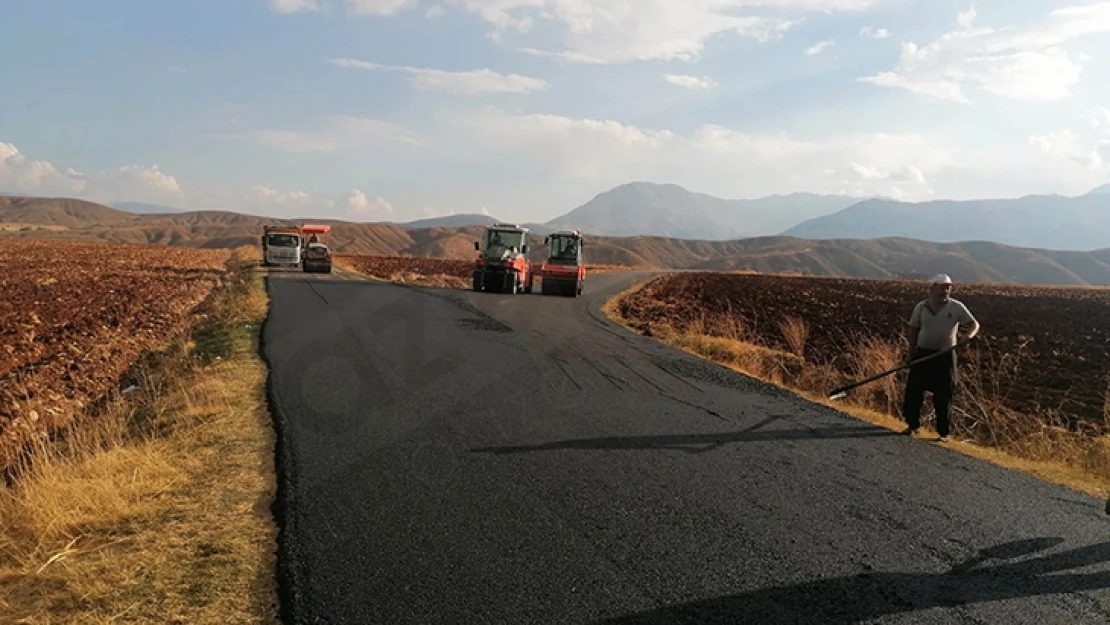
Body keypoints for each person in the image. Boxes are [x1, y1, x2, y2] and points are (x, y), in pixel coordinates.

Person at [901, 274, 980, 442]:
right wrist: (911, 353)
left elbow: (974, 324)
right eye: (943, 287)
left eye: (949, 287)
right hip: (922, 354)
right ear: (932, 288)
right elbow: (913, 329)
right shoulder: (921, 307)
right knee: (914, 392)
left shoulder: (956, 307)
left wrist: (968, 336)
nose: (946, 290)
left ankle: (943, 433)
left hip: (945, 356)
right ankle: (912, 426)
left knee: (944, 395)